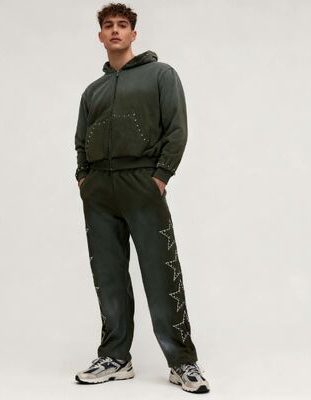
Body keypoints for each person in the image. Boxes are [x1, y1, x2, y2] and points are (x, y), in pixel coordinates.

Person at [73, 3, 210, 394]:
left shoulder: (161, 75)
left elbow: (177, 129)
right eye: (108, 25)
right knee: (108, 276)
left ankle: (182, 361)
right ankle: (116, 357)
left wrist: (160, 176)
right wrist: (84, 178)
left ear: (133, 34)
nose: (115, 30)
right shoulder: (93, 91)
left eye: (122, 25)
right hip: (99, 190)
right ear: (100, 36)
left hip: (141, 182)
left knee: (161, 270)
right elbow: (80, 140)